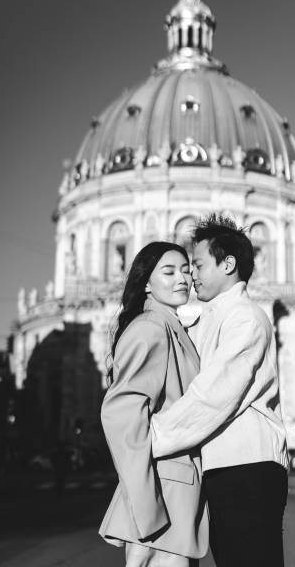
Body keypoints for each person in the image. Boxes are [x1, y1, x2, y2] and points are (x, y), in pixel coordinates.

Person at [150, 215, 289, 567]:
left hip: (249, 467)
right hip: (225, 468)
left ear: (228, 264)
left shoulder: (246, 318)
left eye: (197, 264)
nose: (190, 274)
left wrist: (151, 437)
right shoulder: (208, 321)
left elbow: (214, 395)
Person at [99, 241, 208, 567]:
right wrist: (147, 507)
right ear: (146, 281)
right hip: (163, 497)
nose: (182, 279)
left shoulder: (170, 326)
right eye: (169, 271)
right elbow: (122, 416)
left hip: (173, 491)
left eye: (187, 271)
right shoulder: (151, 328)